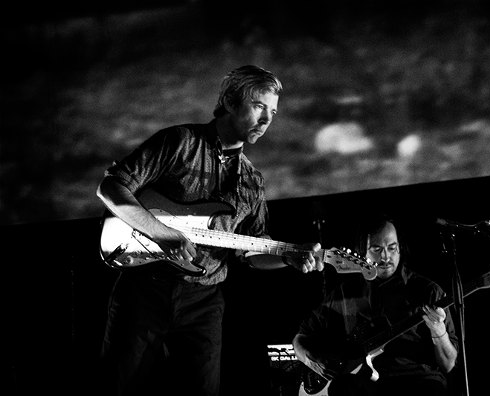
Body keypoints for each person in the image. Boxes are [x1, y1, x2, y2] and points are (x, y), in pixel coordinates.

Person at [96, 64, 323, 396]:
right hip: (146, 289)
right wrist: (161, 233)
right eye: (259, 106)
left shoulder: (252, 182)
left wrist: (287, 257)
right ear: (231, 101)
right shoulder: (180, 143)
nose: (267, 120)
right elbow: (111, 187)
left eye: (272, 111)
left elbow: (250, 252)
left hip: (204, 301)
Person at [293, 214, 458, 396]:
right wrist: (311, 360)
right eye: (376, 249)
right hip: (363, 385)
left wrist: (438, 331)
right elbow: (300, 338)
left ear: (400, 250)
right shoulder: (345, 292)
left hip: (417, 382)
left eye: (392, 248)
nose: (386, 256)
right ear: (362, 252)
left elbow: (448, 364)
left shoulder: (428, 291)